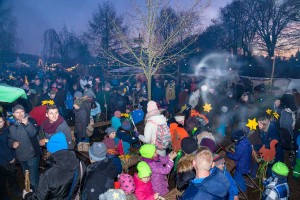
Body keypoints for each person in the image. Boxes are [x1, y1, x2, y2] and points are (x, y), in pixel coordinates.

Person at [23, 132, 85, 199]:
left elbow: (39, 198)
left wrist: (27, 195)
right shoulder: (81, 164)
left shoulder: (48, 175)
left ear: (51, 149)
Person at [8, 105, 41, 191]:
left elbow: (33, 133)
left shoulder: (31, 120)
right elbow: (10, 139)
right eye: (17, 112)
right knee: (26, 178)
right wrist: (12, 143)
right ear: (13, 114)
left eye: (21, 111)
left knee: (33, 179)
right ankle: (30, 193)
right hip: (21, 156)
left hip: (32, 155)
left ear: (24, 112)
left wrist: (26, 124)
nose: (20, 114)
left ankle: (37, 195)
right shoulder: (12, 125)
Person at [0, 114, 21, 199]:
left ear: (4, 121)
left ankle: (15, 191)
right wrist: (9, 159)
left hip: (11, 158)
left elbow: (10, 143)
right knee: (2, 180)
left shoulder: (6, 130)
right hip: (2, 161)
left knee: (12, 176)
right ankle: (3, 196)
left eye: (1, 121)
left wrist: (14, 157)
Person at [226, 130, 252, 198]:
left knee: (237, 178)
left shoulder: (240, 146)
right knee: (240, 175)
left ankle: (243, 191)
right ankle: (244, 181)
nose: (234, 140)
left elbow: (236, 157)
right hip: (247, 161)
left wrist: (228, 154)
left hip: (241, 164)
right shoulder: (246, 140)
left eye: (234, 139)